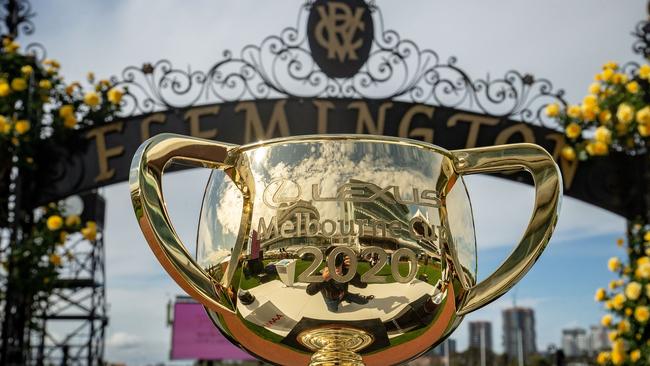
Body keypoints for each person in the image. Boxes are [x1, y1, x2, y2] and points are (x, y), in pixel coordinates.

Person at [306, 248, 374, 312]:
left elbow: (363, 285)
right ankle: (345, 297)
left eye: (337, 260)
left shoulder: (346, 271)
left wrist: (352, 271)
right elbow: (309, 291)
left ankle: (347, 297)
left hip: (344, 294)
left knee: (364, 302)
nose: (335, 269)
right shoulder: (322, 273)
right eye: (331, 262)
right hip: (331, 298)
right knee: (333, 310)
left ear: (342, 261)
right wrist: (323, 279)